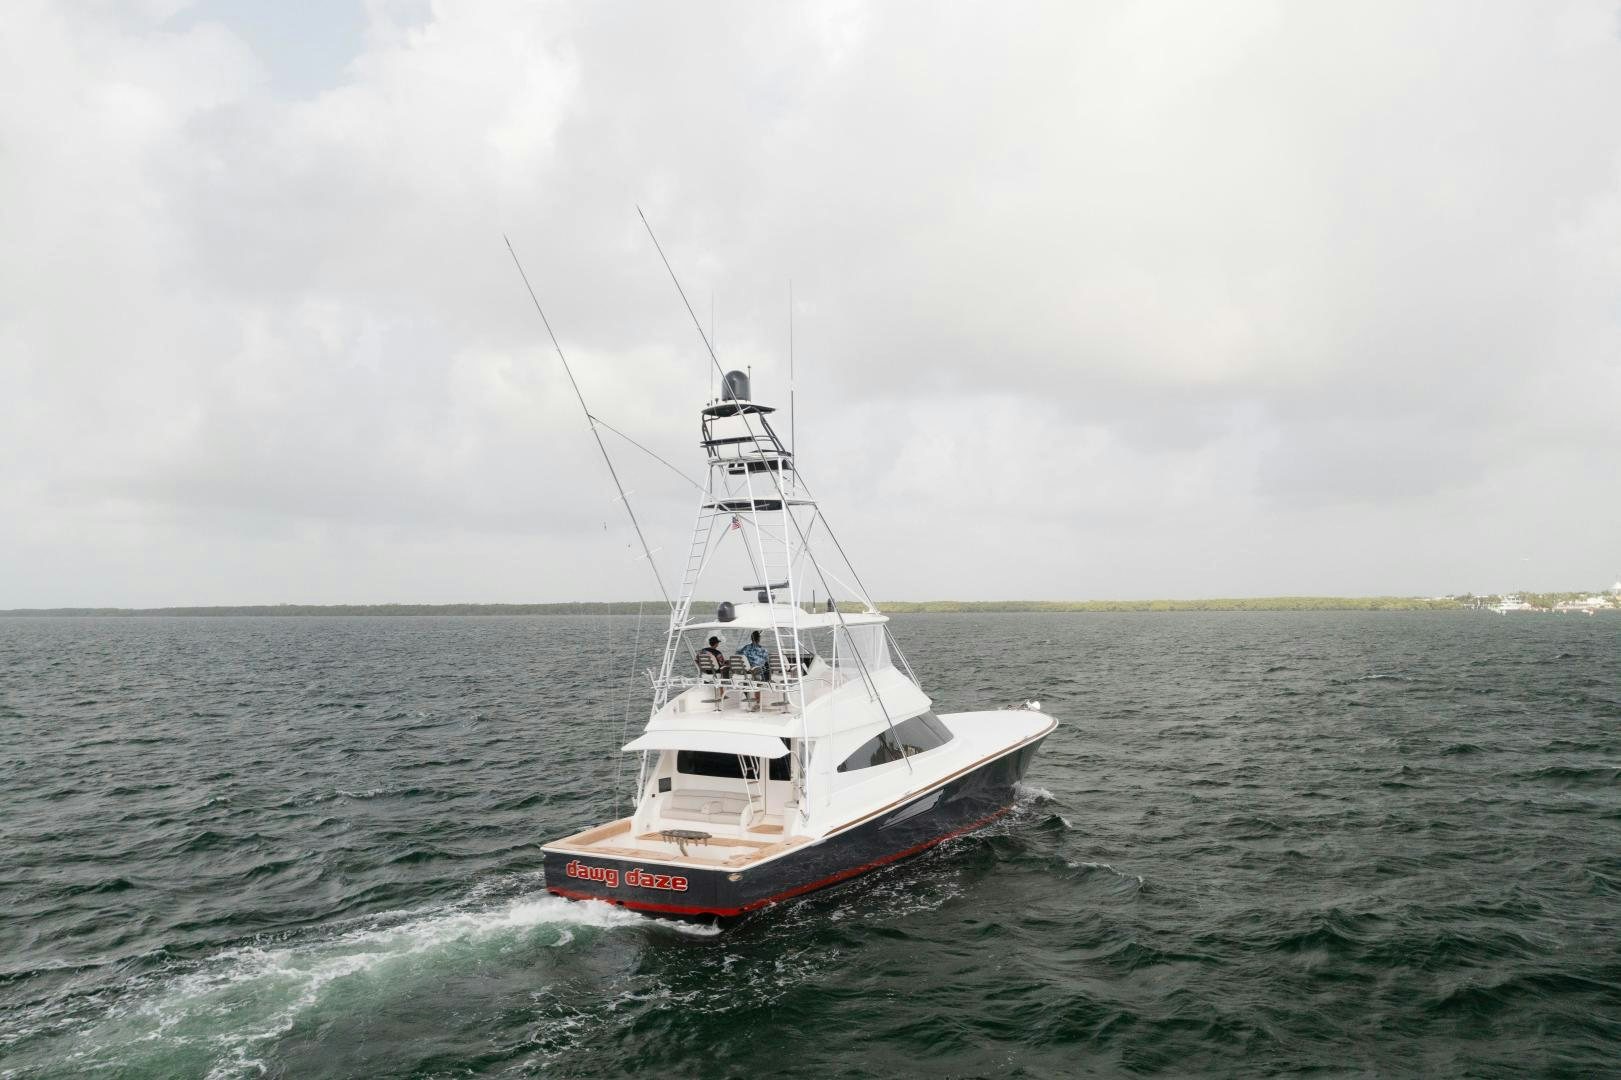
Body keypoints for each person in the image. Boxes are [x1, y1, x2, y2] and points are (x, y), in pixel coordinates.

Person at [739, 630, 769, 710]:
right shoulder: (763, 650)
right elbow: (766, 661)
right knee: (762, 673)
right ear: (759, 639)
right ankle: (758, 702)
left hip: (747, 671)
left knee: (748, 678)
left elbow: (739, 656)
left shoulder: (745, 648)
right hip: (757, 671)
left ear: (751, 639)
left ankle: (749, 700)